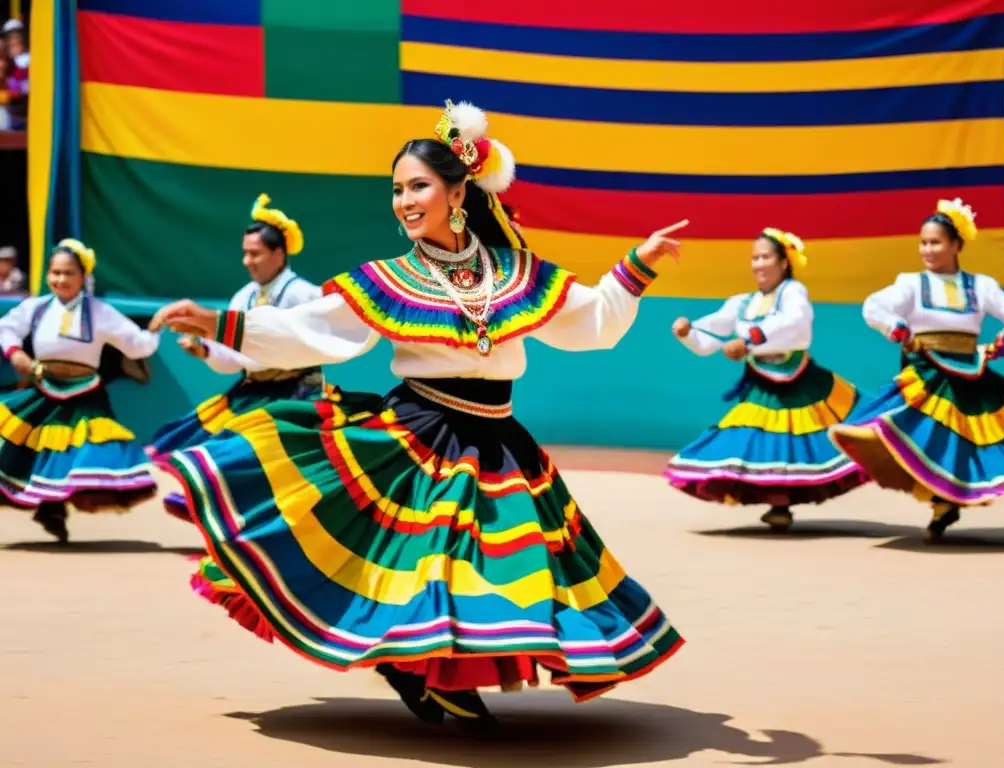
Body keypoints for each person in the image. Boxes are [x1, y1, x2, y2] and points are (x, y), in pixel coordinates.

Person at [149, 100, 685, 728]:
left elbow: (592, 321)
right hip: (419, 434)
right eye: (397, 190)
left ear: (459, 192)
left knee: (495, 566)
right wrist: (218, 322)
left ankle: (426, 669)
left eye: (418, 186)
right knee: (426, 561)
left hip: (498, 441)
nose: (404, 201)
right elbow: (307, 331)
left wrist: (638, 265)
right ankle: (413, 667)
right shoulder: (390, 278)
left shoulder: (515, 272)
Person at [829, 198, 1004, 541]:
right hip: (927, 375)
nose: (927, 249)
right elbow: (874, 305)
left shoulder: (981, 287)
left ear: (956, 245)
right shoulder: (911, 284)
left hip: (970, 374)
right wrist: (896, 327)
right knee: (924, 437)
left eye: (935, 242)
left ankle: (946, 502)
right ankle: (941, 503)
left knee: (967, 444)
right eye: (923, 242)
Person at [664, 229, 867, 529]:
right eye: (754, 258)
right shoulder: (742, 303)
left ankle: (782, 505)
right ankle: (779, 505)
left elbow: (796, 326)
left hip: (801, 381)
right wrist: (687, 331)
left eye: (765, 257)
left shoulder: (793, 293)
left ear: (784, 262)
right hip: (761, 382)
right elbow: (712, 335)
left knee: (806, 438)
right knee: (762, 439)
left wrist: (749, 341)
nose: (758, 264)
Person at [147, 195, 327, 522]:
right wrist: (205, 350)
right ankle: (217, 508)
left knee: (265, 459)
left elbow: (304, 348)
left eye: (254, 253)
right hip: (251, 392)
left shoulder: (305, 295)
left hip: (297, 393)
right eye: (244, 253)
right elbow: (233, 359)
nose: (247, 261)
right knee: (219, 446)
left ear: (278, 253)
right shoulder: (243, 297)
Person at [0, 239, 160, 543]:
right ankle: (52, 509)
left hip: (85, 393)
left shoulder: (100, 312)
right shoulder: (36, 307)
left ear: (83, 275)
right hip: (44, 388)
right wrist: (15, 353)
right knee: (35, 448)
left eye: (68, 273)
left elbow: (136, 344)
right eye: (55, 273)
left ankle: (54, 509)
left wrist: (155, 331)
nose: (60, 279)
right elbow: (6, 327)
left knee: (77, 452)